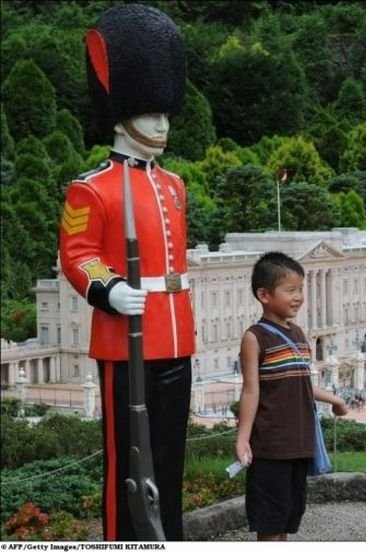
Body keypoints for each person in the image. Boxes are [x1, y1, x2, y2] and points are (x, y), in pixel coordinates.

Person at [58, 4, 193, 541]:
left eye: (165, 114)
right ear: (120, 115)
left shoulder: (174, 186)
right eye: (150, 113)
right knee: (127, 464)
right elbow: (78, 254)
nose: (162, 124)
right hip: (125, 340)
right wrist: (110, 289)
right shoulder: (92, 187)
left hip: (175, 335)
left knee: (169, 459)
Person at [235, 251, 348, 541]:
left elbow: (301, 384)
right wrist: (242, 439)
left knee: (286, 523)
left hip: (299, 444)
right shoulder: (255, 337)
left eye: (301, 289)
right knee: (270, 525)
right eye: (290, 290)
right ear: (264, 294)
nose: (298, 297)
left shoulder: (298, 334)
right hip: (271, 446)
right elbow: (250, 390)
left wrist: (333, 399)